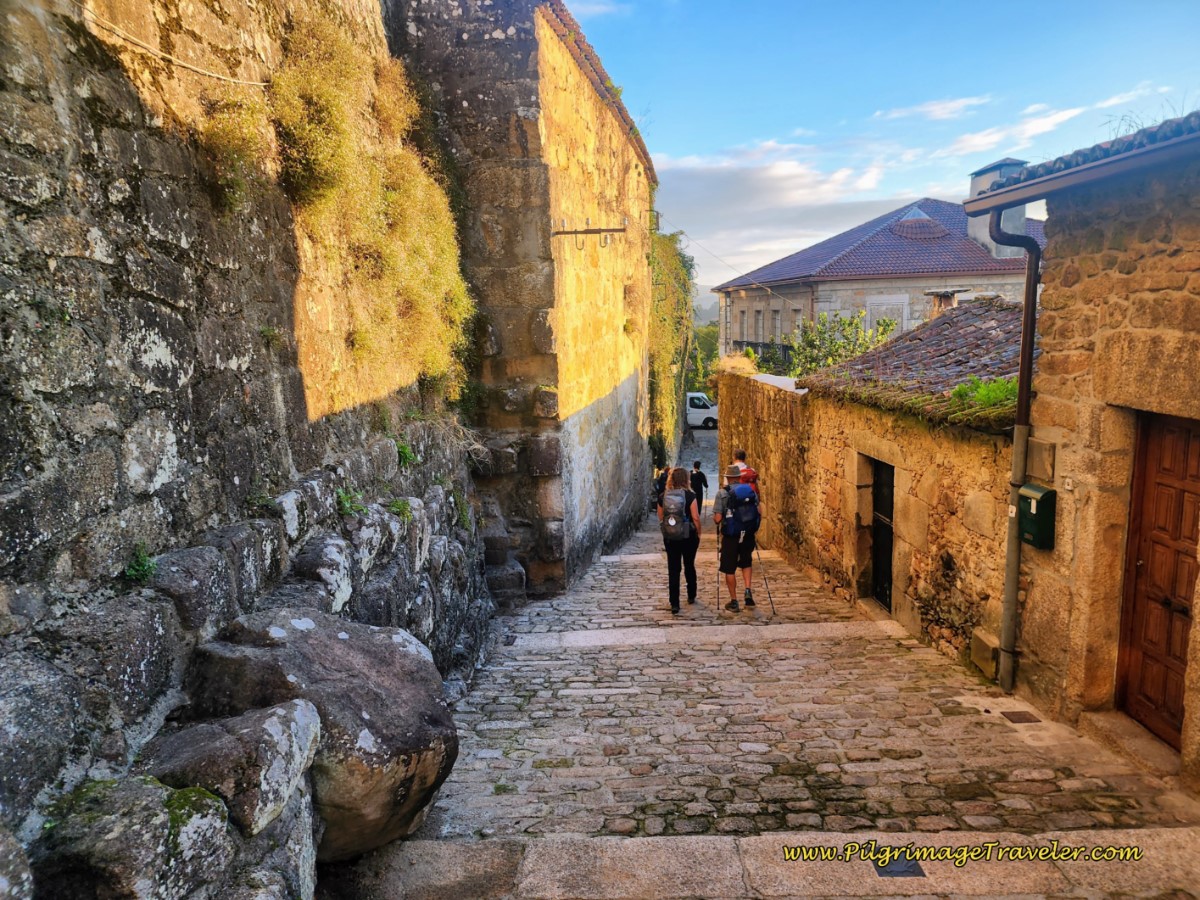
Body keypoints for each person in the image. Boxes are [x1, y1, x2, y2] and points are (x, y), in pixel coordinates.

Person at [713, 463, 762, 611]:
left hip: (731, 536)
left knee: (729, 568)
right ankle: (747, 591)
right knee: (746, 562)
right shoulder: (749, 491)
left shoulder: (722, 493)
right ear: (739, 478)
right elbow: (759, 511)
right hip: (747, 534)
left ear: (728, 478)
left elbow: (717, 518)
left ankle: (734, 601)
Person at [657, 466, 702, 615]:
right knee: (689, 564)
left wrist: (670, 529)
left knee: (673, 569)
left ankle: (674, 603)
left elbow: (661, 516)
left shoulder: (663, 496)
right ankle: (691, 594)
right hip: (688, 536)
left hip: (671, 537)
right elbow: (695, 517)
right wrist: (698, 532)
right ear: (686, 479)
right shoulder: (690, 496)